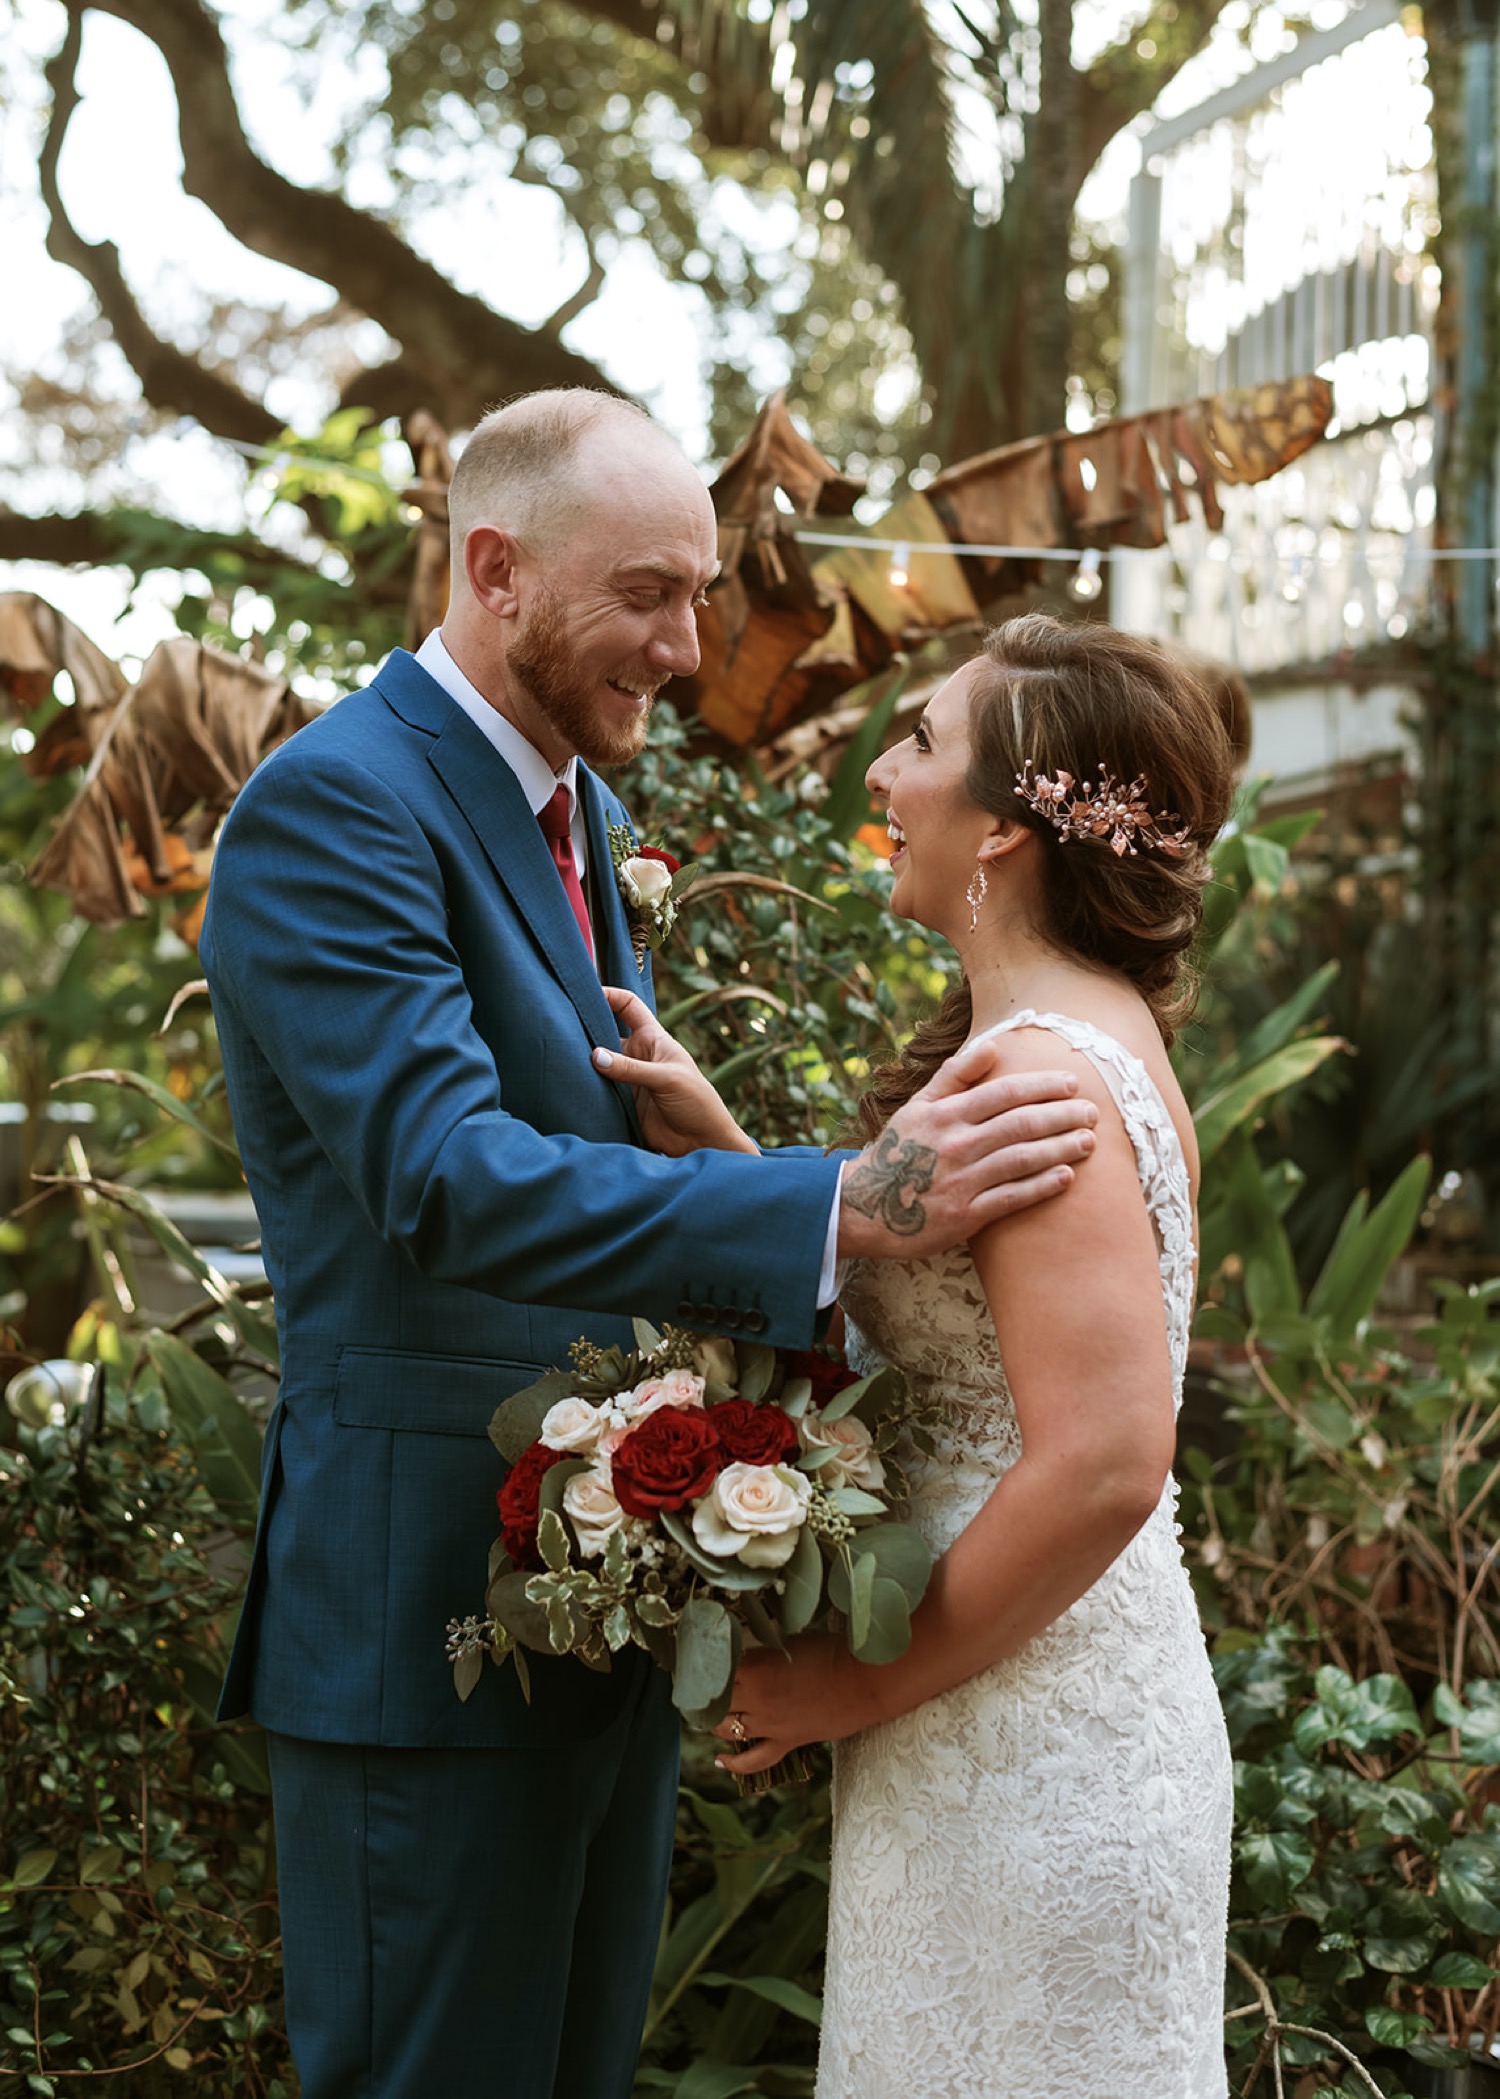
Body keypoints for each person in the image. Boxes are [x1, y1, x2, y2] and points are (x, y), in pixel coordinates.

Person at [198, 390, 1100, 2099]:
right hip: (422, 1626)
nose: (687, 647)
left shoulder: (573, 815)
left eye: (697, 594)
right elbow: (452, 1180)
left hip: (593, 1602)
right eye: (647, 597)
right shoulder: (339, 810)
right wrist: (837, 1203)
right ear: (495, 571)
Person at [606, 612, 1237, 2098]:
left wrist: (852, 1689)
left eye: (925, 741)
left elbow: (1101, 1463)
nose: (884, 771)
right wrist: (745, 1170)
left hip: (1026, 1750)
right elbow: (970, 1356)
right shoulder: (1085, 1036)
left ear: (1009, 830)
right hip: (1008, 1720)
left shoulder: (1042, 1073)